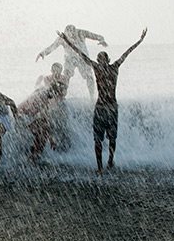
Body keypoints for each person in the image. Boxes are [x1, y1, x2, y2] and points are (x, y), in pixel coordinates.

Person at [60, 28, 147, 174]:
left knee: (111, 139)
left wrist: (139, 41)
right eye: (99, 60)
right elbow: (80, 54)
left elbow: (127, 52)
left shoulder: (111, 68)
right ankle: (100, 166)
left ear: (107, 60)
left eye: (102, 59)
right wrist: (67, 41)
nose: (100, 62)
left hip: (108, 108)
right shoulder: (105, 68)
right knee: (99, 140)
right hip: (104, 108)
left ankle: (110, 161)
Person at [36, 24, 108, 98]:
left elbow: (95, 36)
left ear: (75, 31)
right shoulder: (62, 38)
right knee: (67, 75)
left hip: (83, 59)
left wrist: (102, 39)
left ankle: (92, 97)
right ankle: (62, 94)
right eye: (70, 36)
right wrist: (43, 53)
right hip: (69, 59)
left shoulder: (81, 33)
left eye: (73, 35)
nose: (72, 37)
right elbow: (52, 47)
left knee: (89, 77)